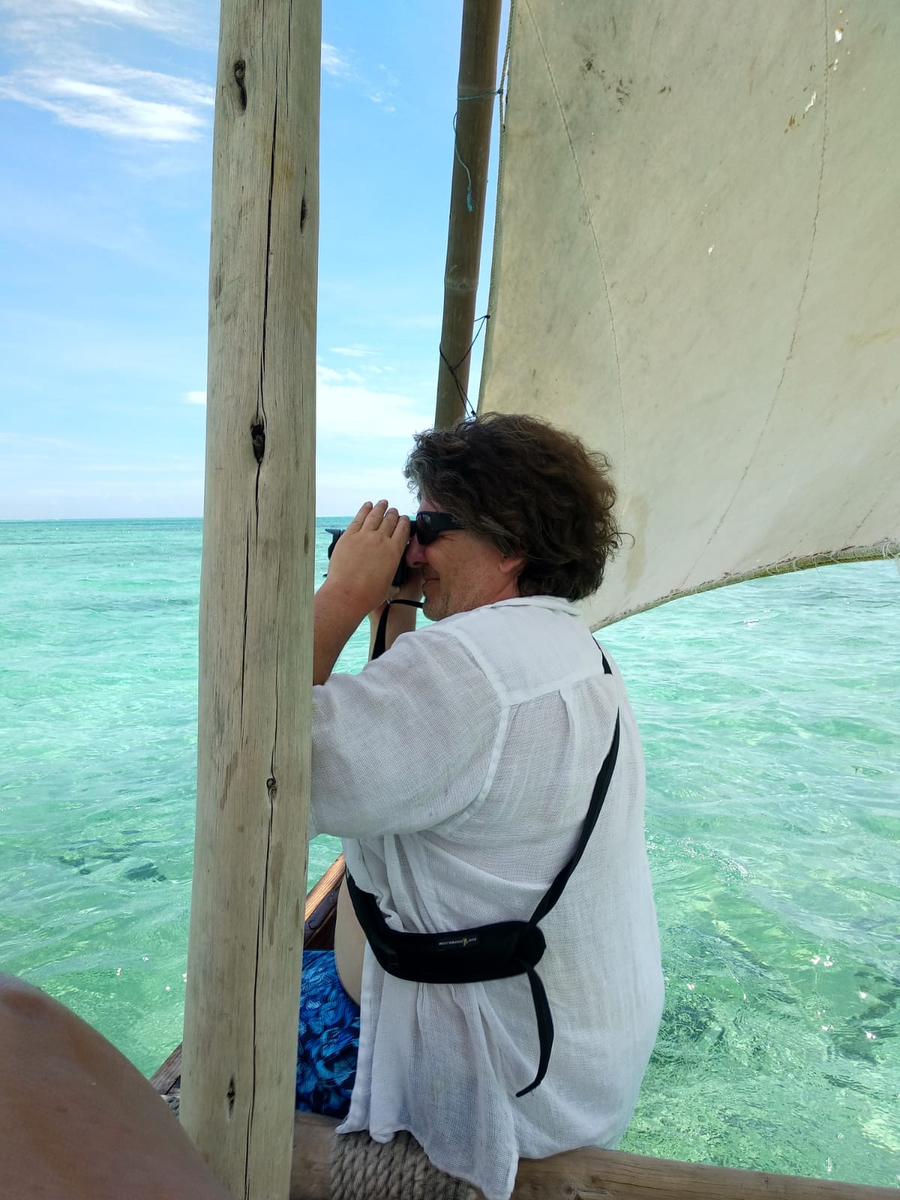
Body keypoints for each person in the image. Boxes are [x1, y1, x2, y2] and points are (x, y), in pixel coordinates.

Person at [306, 413, 663, 1200]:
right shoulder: (568, 645)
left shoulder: (467, 666)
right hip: (577, 1058)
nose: (414, 548)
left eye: (428, 526)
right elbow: (414, 733)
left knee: (174, 1092)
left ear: (509, 544)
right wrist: (392, 607)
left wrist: (341, 591)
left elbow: (255, 759)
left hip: (486, 1083)